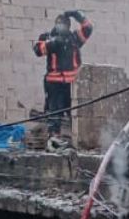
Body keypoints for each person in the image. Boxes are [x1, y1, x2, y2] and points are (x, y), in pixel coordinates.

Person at [33, 10, 93, 150]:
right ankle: (54, 140)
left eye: (64, 24)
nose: (62, 26)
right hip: (54, 83)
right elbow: (37, 50)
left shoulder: (74, 38)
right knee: (54, 112)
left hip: (72, 84)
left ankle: (75, 141)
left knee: (74, 113)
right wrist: (52, 43)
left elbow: (88, 28)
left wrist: (77, 15)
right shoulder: (48, 37)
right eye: (59, 24)